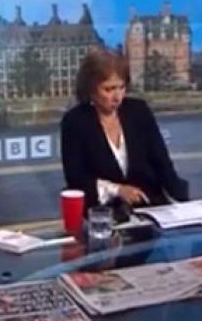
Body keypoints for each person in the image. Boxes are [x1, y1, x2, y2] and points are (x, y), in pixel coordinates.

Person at [61, 48, 188, 210]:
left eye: (121, 87)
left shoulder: (139, 111)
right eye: (109, 89)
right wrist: (117, 190)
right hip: (103, 213)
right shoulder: (75, 121)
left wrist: (187, 206)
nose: (117, 97)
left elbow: (163, 164)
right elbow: (76, 179)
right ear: (91, 89)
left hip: (150, 206)